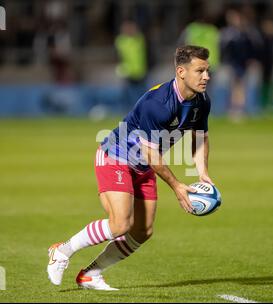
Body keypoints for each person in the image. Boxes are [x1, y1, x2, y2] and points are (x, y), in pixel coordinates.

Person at [47, 45, 214, 290]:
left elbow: (200, 138)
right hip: (116, 156)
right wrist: (177, 185)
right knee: (120, 223)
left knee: (143, 231)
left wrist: (203, 173)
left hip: (143, 166)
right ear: (181, 71)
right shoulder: (157, 102)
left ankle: (91, 274)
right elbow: (150, 152)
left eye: (207, 70)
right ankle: (61, 252)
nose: (207, 76)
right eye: (200, 71)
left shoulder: (202, 102)